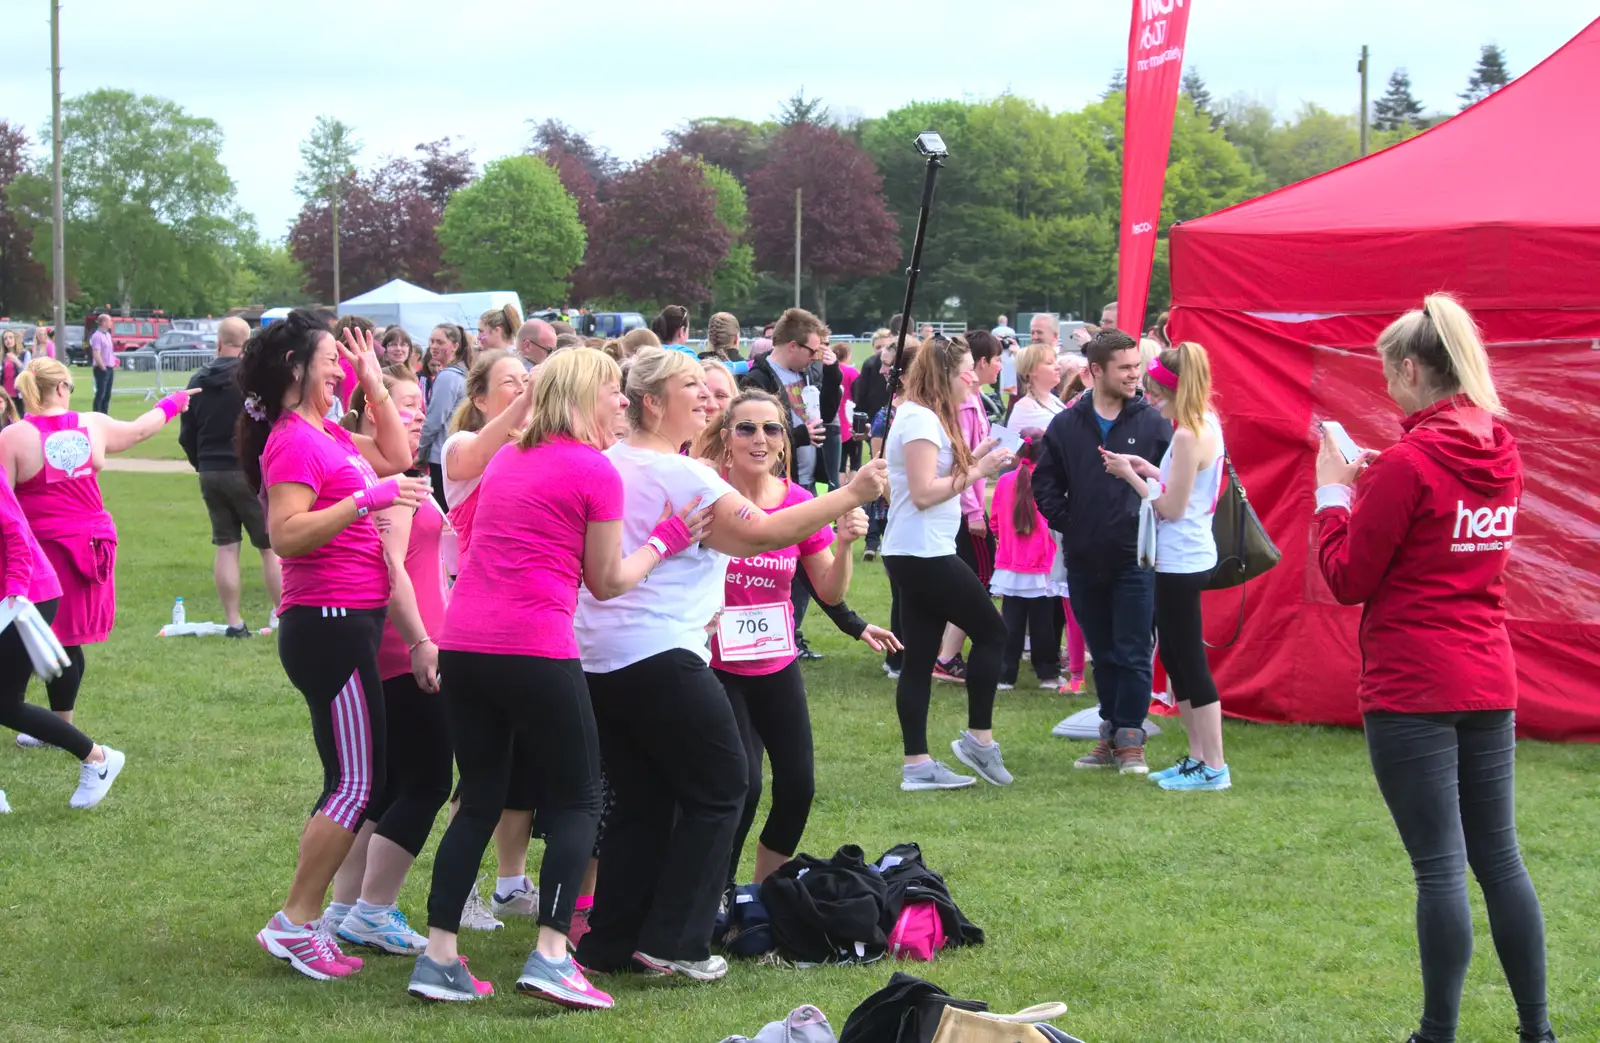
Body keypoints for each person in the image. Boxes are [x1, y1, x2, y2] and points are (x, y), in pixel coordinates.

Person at [572, 347, 886, 981]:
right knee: (725, 789)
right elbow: (763, 533)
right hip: (659, 655)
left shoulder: (615, 463)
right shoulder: (684, 474)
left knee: (645, 802)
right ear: (654, 402)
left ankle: (610, 944)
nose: (709, 398)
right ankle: (678, 942)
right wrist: (849, 493)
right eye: (694, 387)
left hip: (601, 659)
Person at [408, 348, 708, 1006]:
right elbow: (606, 581)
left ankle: (438, 956)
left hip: (464, 645)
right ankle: (550, 952)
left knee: (479, 799)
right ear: (582, 396)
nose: (623, 401)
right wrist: (667, 538)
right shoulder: (594, 469)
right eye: (613, 391)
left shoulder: (510, 456)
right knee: (579, 798)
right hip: (535, 647)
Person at [1315, 295, 1555, 1043]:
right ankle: (1537, 1029)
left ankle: (1436, 1033)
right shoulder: (1500, 448)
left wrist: (1331, 493)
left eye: (1390, 375)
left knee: (1441, 870)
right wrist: (1372, 474)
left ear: (1413, 369)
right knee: (1500, 860)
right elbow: (1439, 518)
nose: (1388, 389)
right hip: (1487, 674)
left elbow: (1350, 575)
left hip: (1414, 684)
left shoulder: (1411, 463)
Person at [239, 311, 430, 981]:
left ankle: (302, 918)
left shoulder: (327, 432)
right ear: (295, 367)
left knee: (349, 781)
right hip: (328, 623)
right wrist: (362, 502)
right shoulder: (293, 441)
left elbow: (399, 456)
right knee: (356, 782)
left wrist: (376, 384)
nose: (338, 371)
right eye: (330, 361)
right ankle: (294, 921)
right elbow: (286, 533)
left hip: (350, 621)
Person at [700, 391, 890, 889]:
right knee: (742, 785)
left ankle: (768, 891)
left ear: (785, 441)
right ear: (726, 438)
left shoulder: (800, 503)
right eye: (746, 429)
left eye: (771, 429)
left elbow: (827, 588)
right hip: (715, 665)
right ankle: (716, 893)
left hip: (776, 662)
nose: (759, 439)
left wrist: (846, 543)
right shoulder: (708, 493)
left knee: (798, 786)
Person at [321, 369, 453, 957]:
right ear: (373, 413)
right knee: (426, 782)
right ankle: (373, 908)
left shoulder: (389, 476)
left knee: (386, 786)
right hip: (404, 648)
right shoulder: (391, 482)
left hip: (397, 644)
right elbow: (391, 569)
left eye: (420, 404)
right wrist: (423, 639)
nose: (419, 413)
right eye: (406, 405)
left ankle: (346, 908)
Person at [3, 358, 197, 749]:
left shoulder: (14, 437)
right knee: (66, 637)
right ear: (61, 389)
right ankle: (58, 724)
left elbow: (4, 500)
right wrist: (174, 402)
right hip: (86, 547)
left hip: (39, 549)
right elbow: (140, 430)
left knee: (41, 636)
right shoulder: (92, 424)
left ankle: (43, 723)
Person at [1031, 329, 1171, 773]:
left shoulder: (1153, 423)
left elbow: (1168, 488)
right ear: (1095, 370)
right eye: (1125, 367)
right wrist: (1071, 524)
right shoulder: (1067, 425)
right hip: (1085, 556)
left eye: (1137, 366)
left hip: (1137, 558)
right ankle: (1110, 735)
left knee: (1132, 649)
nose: (1136, 374)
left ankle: (1132, 738)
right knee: (1103, 651)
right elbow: (1045, 484)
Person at [881, 336, 1015, 791]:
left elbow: (935, 479)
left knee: (918, 657)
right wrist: (978, 472)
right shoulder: (919, 418)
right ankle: (979, 740)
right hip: (923, 551)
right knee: (994, 632)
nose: (974, 378)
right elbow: (922, 493)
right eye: (966, 371)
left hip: (918, 548)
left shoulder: (927, 416)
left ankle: (918, 766)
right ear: (945, 374)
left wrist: (979, 457)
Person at [1101, 342, 1229, 790]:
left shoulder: (1187, 433)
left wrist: (1130, 475)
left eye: (1157, 391)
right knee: (1176, 655)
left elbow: (1172, 507)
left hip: (1180, 556)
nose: (1151, 398)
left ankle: (1213, 764)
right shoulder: (1204, 425)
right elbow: (1185, 487)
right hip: (1189, 553)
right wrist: (1150, 470)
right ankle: (1200, 759)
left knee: (1188, 659)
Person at [0, 439, 127, 809]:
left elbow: (16, 536)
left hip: (24, 594)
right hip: (15, 593)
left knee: (6, 705)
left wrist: (15, 595)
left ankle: (99, 760)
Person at [178, 316, 283, 637]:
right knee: (270, 547)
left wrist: (201, 463)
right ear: (246, 342)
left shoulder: (197, 380)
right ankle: (280, 615)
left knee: (226, 546)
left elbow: (187, 434)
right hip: (247, 470)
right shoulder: (251, 380)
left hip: (211, 471)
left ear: (219, 343)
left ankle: (234, 621)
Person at [930, 332, 1003, 685]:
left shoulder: (974, 401)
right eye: (994, 361)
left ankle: (943, 653)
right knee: (980, 580)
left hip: (963, 502)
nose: (997, 368)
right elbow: (961, 461)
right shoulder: (964, 405)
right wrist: (974, 510)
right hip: (963, 506)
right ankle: (946, 656)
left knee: (971, 581)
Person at [989, 429, 1065, 692]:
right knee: (1044, 623)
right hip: (1042, 563)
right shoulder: (1049, 482)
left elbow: (995, 521)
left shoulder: (1005, 481)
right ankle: (1047, 674)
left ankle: (1005, 674)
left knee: (1011, 621)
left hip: (1011, 563)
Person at [738, 308, 838, 489]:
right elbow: (754, 436)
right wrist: (799, 436)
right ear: (793, 346)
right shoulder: (758, 379)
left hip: (812, 481)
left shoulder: (809, 372)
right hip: (779, 481)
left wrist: (832, 374)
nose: (815, 357)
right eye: (812, 351)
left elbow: (827, 416)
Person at [419, 324, 470, 508]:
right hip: (454, 452)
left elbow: (434, 419)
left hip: (440, 455)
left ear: (455, 346)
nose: (433, 346)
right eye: (431, 341)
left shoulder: (447, 376)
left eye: (440, 341)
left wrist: (421, 451)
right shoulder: (462, 373)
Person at [1008, 343, 1065, 433]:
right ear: (1030, 370)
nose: (1058, 367)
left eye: (1056, 362)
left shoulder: (1053, 399)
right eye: (1049, 363)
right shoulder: (1025, 407)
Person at [89, 314, 116, 413]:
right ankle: (96, 412)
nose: (111, 323)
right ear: (104, 322)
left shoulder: (108, 335)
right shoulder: (97, 336)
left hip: (110, 367)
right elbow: (96, 353)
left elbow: (109, 351)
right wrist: (102, 367)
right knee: (101, 392)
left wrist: (113, 360)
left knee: (107, 393)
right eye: (109, 321)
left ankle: (105, 414)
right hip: (101, 368)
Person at [1, 332, 25, 411]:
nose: (8, 340)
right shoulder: (2, 356)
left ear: (15, 339)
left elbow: (28, 372)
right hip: (4, 393)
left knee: (19, 417)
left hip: (18, 393)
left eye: (10, 337)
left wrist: (16, 360)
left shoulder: (24, 354)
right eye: (5, 338)